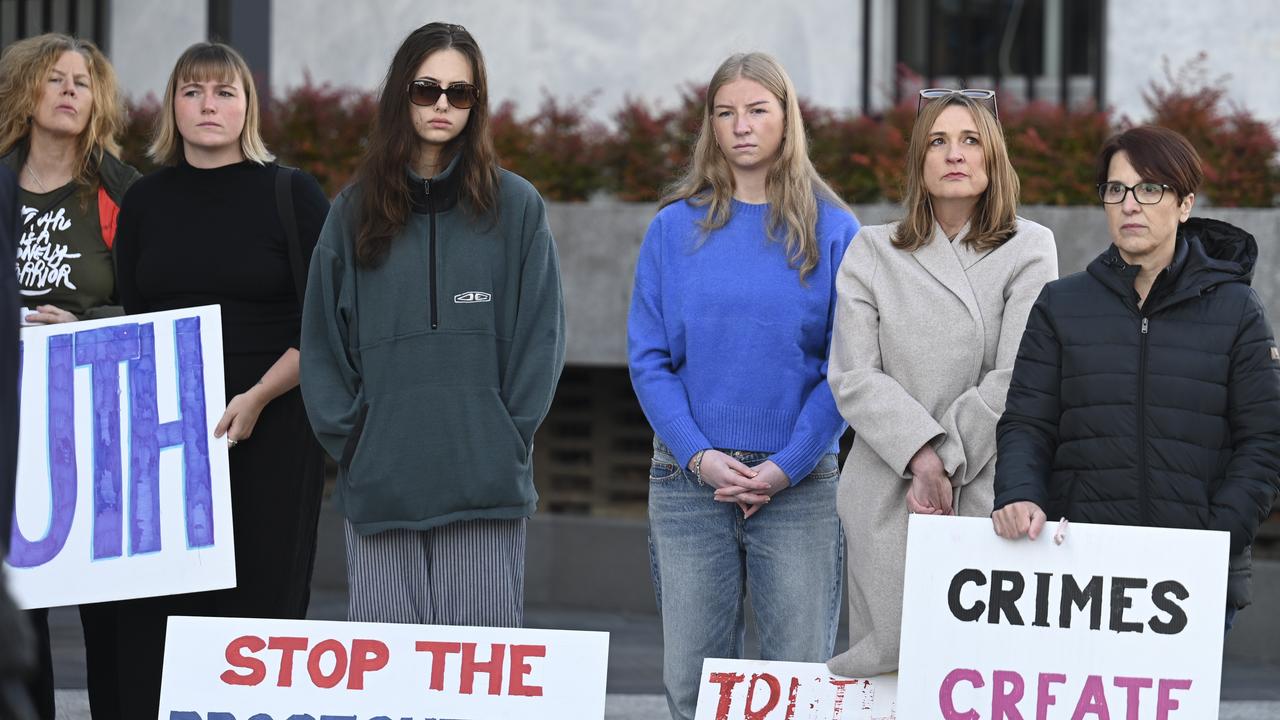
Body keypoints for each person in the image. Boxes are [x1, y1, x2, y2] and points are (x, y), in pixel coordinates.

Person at [300, 23, 565, 627]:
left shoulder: (517, 207)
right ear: (401, 95)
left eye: (460, 92)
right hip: (380, 489)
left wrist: (504, 434)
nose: (443, 103)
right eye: (426, 89)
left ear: (477, 105)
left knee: (478, 687)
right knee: (388, 693)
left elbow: (541, 340)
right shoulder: (352, 210)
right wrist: (357, 443)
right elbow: (321, 344)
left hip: (484, 486)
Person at [627, 52, 860, 720]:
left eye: (758, 109)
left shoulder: (834, 231)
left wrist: (785, 467)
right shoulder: (673, 229)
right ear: (710, 126)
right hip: (689, 483)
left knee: (797, 691)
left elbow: (845, 368)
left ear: (787, 119)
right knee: (691, 691)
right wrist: (699, 455)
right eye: (725, 113)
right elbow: (648, 361)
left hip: (799, 486)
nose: (742, 126)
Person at [110, 42, 329, 718]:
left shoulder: (290, 193)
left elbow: (326, 324)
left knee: (257, 611)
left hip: (272, 429)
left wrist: (259, 397)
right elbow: (130, 316)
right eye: (193, 92)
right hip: (167, 441)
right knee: (159, 616)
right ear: (172, 107)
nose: (209, 106)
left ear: (247, 107)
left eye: (224, 92)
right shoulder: (144, 199)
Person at [992, 125, 1280, 632]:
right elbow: (1026, 424)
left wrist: (1215, 540)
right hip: (1080, 573)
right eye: (1116, 190)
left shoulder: (1237, 310)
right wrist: (1018, 494)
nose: (1130, 205)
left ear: (1185, 204)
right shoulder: (1063, 305)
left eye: (1150, 189)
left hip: (1194, 577)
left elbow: (1263, 441)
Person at [825, 89, 1058, 677]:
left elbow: (1019, 374)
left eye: (970, 140)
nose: (954, 154)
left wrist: (944, 458)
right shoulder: (871, 249)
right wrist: (918, 457)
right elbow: (853, 375)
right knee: (889, 678)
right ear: (919, 161)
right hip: (886, 487)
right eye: (938, 141)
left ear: (993, 157)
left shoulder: (1030, 246)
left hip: (985, 484)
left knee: (979, 675)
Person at [0, 32, 139, 720]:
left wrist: (86, 324)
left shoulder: (121, 191)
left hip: (97, 422)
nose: (69, 92)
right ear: (25, 91)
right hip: (10, 422)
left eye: (82, 82)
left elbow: (159, 299)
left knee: (107, 615)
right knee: (17, 611)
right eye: (54, 79)